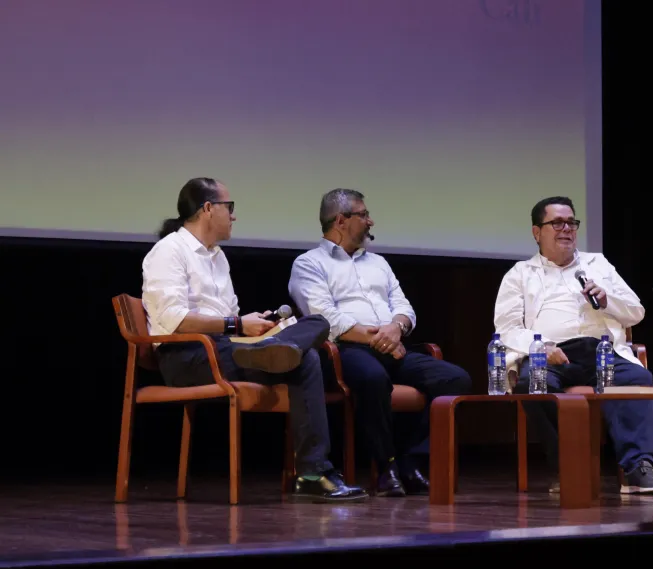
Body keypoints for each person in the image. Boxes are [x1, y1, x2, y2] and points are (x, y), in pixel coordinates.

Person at [142, 177, 367, 503]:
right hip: (187, 356)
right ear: (208, 208)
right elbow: (176, 319)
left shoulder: (218, 257)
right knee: (302, 355)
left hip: (227, 349)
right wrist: (237, 325)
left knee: (314, 331)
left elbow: (231, 322)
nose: (234, 215)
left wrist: (256, 325)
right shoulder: (169, 251)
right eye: (229, 207)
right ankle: (273, 356)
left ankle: (312, 473)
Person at [288, 188, 472, 497]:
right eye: (363, 215)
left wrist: (396, 329)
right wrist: (378, 338)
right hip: (344, 351)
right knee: (373, 378)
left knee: (455, 379)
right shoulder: (309, 264)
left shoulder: (378, 263)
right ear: (341, 220)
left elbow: (404, 307)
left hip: (392, 345)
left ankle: (411, 461)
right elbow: (325, 318)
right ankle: (386, 467)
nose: (370, 221)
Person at [493, 196, 653, 495]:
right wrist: (541, 347)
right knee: (531, 383)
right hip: (551, 354)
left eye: (571, 223)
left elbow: (636, 312)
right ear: (537, 232)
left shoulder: (597, 264)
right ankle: (567, 466)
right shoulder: (520, 273)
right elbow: (507, 328)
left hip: (601, 352)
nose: (566, 229)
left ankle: (638, 470)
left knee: (637, 378)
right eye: (557, 223)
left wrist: (608, 300)